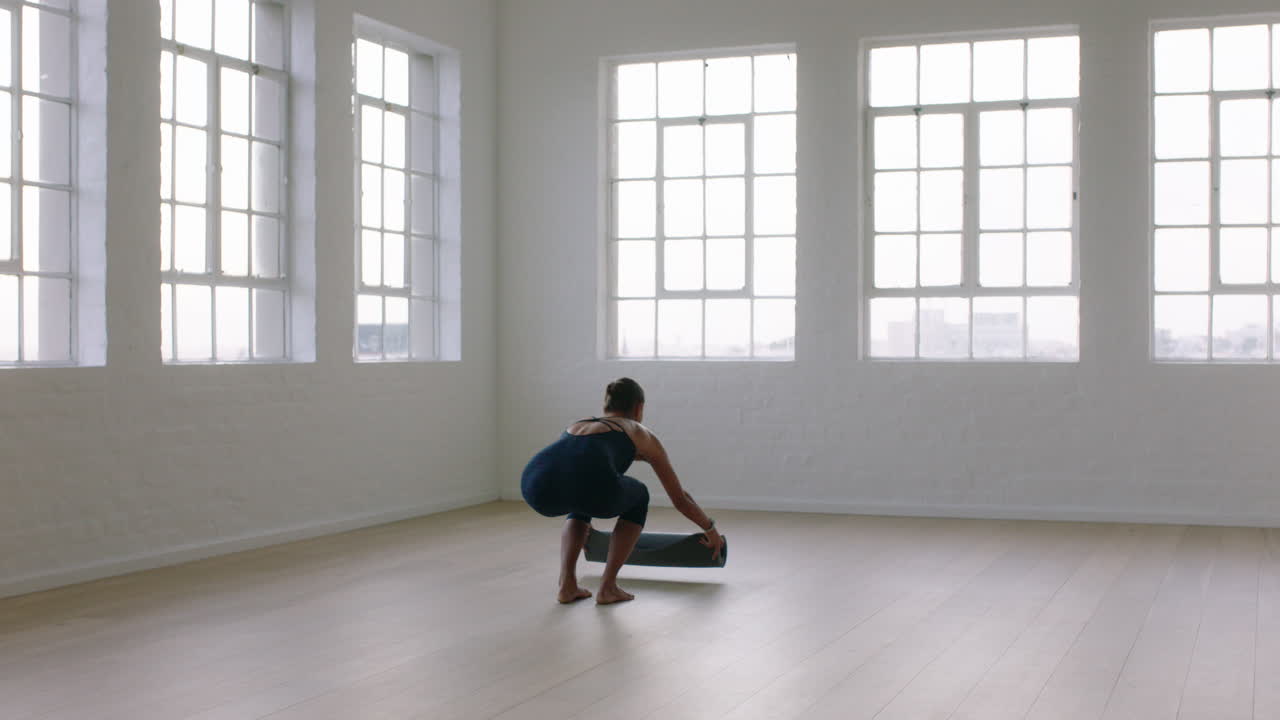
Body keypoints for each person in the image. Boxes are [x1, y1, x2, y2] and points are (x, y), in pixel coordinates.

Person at [520, 378, 724, 605]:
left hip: (534, 485)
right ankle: (608, 588)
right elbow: (679, 498)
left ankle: (567, 585)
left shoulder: (579, 424)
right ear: (639, 408)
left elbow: (573, 468)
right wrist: (710, 528)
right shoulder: (639, 431)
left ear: (606, 405)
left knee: (580, 496)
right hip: (585, 484)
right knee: (639, 495)